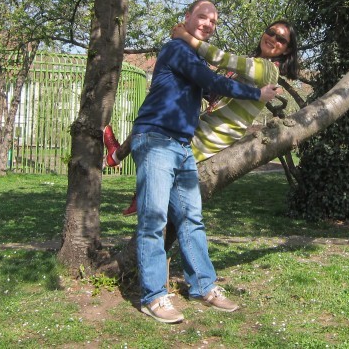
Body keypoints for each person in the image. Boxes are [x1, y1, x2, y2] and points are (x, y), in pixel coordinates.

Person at [125, 0, 281, 324]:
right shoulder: (178, 50)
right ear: (187, 19)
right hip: (155, 138)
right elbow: (210, 80)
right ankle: (153, 297)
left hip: (181, 145)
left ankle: (203, 286)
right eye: (202, 17)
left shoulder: (193, 55)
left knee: (190, 218)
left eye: (213, 20)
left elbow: (204, 86)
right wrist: (256, 95)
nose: (207, 23)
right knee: (154, 220)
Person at [104, 19, 300, 216]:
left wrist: (186, 37)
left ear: (286, 50)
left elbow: (223, 58)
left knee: (163, 152)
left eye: (281, 39)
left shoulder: (267, 69)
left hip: (216, 131)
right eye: (271, 32)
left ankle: (144, 194)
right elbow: (221, 87)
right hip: (208, 121)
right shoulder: (255, 64)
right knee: (158, 123)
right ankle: (116, 156)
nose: (273, 38)